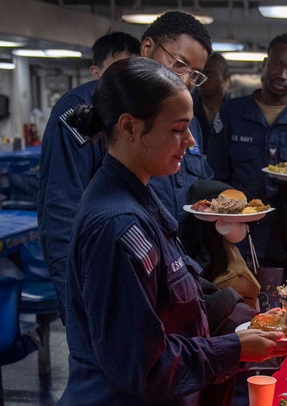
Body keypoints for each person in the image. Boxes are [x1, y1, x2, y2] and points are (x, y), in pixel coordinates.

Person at [58, 57, 287, 406]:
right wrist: (237, 350)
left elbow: (176, 288)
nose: (190, 144)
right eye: (178, 129)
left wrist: (233, 322)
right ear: (128, 127)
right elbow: (142, 365)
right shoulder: (117, 226)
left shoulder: (136, 197)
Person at [38, 12, 214, 323]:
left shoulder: (186, 121)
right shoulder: (87, 110)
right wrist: (77, 308)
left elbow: (194, 188)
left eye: (196, 75)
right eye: (179, 64)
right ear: (147, 48)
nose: (185, 80)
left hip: (168, 285)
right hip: (114, 287)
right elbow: (62, 213)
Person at [207, 33, 287, 276]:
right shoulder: (231, 114)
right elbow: (213, 177)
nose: (282, 74)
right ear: (265, 63)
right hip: (239, 239)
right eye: (277, 64)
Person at [38, 32, 140, 320]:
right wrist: (70, 272)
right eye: (118, 67)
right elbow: (62, 202)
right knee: (91, 347)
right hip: (82, 255)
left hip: (121, 254)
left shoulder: (139, 106)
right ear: (97, 72)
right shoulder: (77, 111)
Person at [192, 52, 231, 150]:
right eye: (199, 73)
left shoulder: (236, 112)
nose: (201, 78)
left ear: (225, 77)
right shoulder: (187, 108)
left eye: (208, 74)